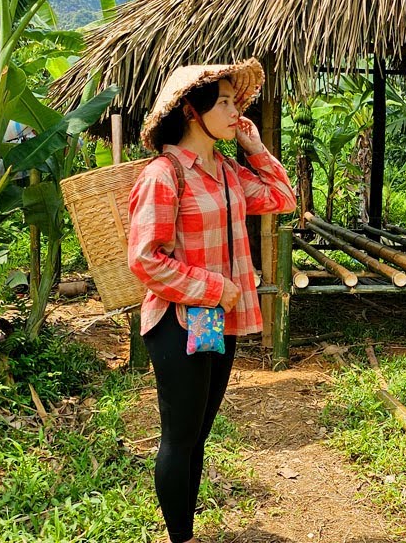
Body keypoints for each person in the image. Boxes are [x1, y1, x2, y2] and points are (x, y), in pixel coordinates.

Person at [127, 60, 296, 543]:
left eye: (233, 100)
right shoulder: (164, 175)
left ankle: (188, 532)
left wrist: (254, 146)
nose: (234, 109)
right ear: (190, 111)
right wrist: (215, 288)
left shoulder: (226, 172)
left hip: (215, 323)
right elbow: (145, 259)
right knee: (179, 437)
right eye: (222, 102)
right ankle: (179, 537)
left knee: (199, 435)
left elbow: (282, 197)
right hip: (178, 320)